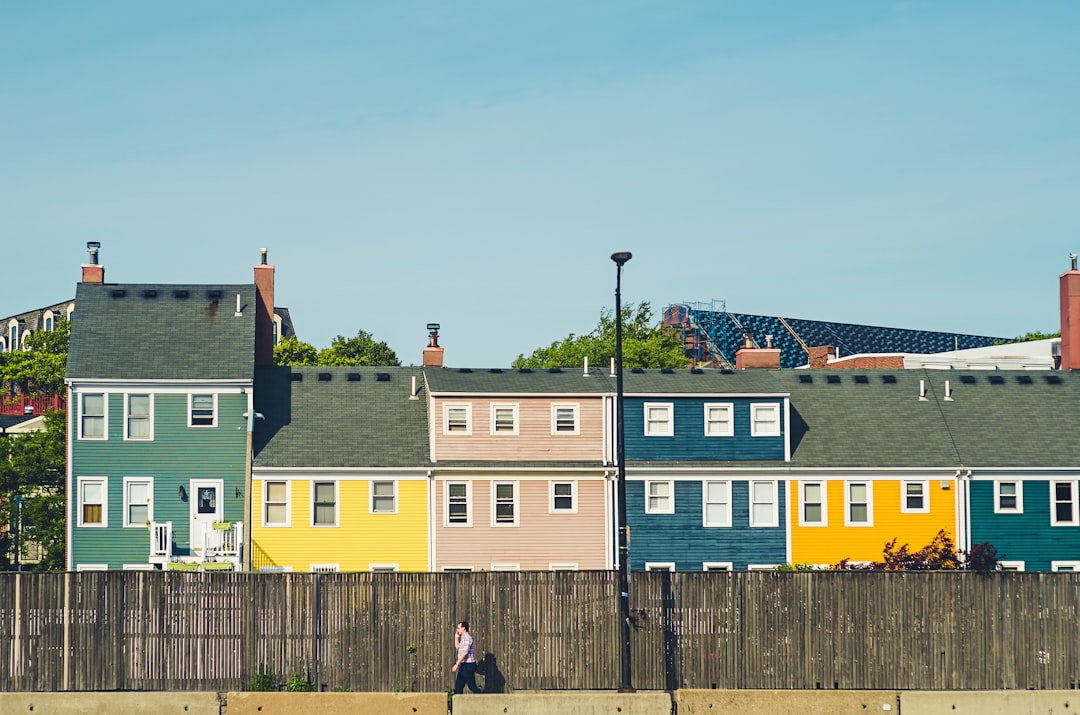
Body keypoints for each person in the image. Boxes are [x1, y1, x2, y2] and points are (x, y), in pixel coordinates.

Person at [452, 620, 481, 694]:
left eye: (458, 628)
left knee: (471, 685)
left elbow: (464, 653)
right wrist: (456, 638)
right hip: (464, 664)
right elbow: (457, 647)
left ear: (463, 628)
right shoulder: (463, 638)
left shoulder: (467, 638)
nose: (457, 630)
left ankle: (481, 696)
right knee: (458, 685)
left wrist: (456, 664)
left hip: (469, 664)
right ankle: (458, 698)